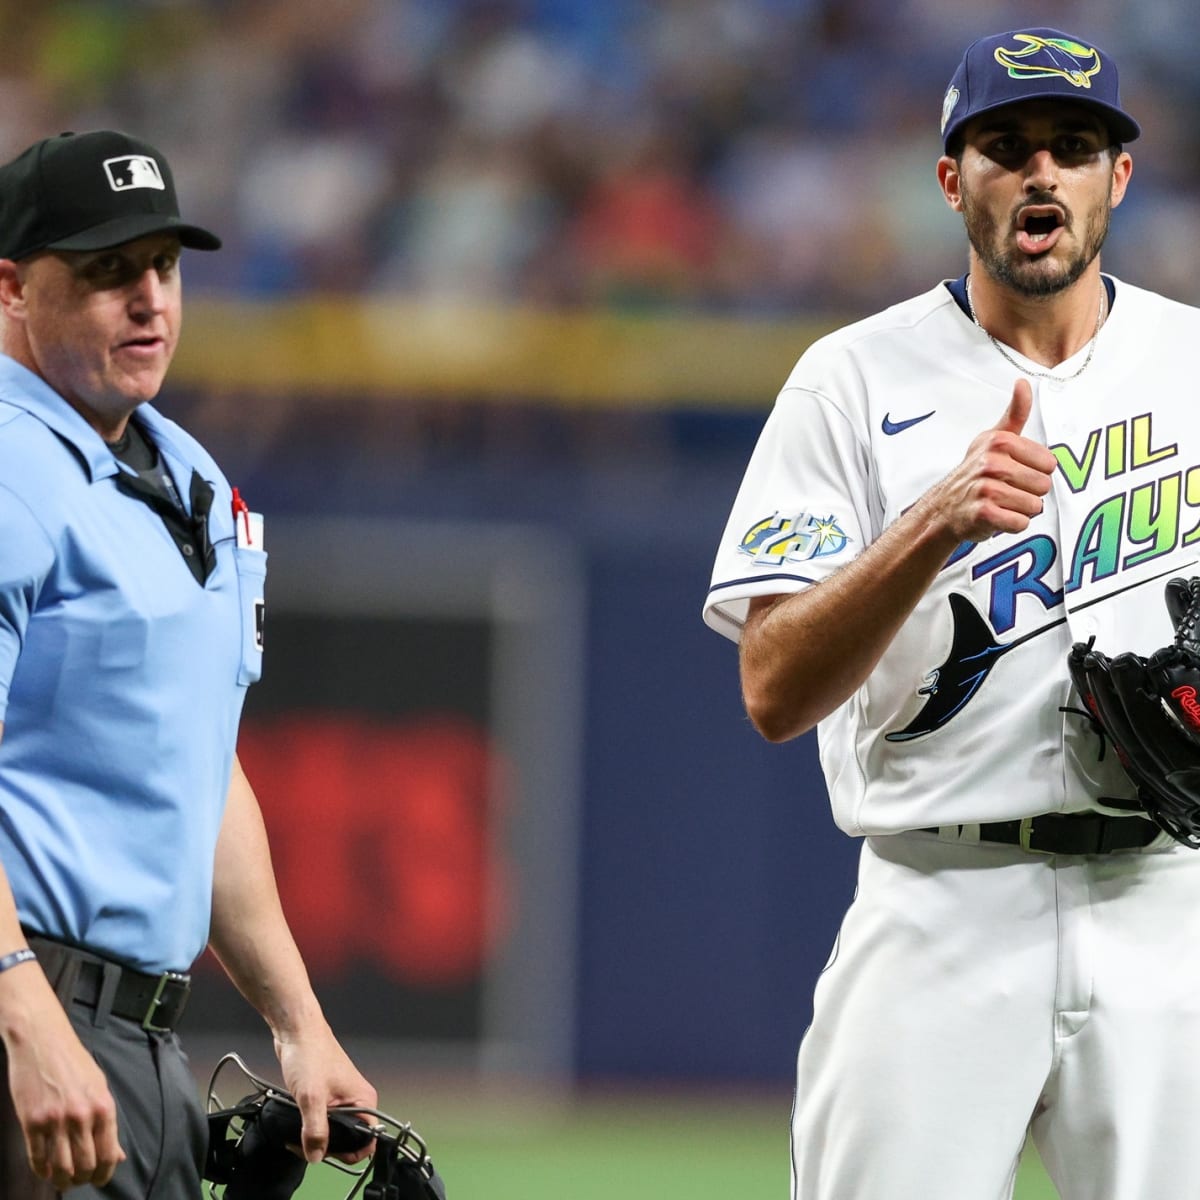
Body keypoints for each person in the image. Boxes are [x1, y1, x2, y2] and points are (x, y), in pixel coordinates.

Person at [704, 27, 1200, 1200]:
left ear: (1116, 178)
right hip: (940, 905)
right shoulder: (854, 378)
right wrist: (931, 522)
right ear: (952, 179)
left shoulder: (1193, 363)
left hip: (1162, 904)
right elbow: (772, 688)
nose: (1041, 172)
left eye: (1074, 147)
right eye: (1005, 146)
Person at [0, 130, 376, 1198]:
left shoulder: (191, 475)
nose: (149, 300)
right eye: (108, 270)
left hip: (144, 1047)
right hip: (29, 1018)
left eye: (164, 265)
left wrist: (299, 1025)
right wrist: (24, 1013)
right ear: (14, 286)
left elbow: (197, 770)